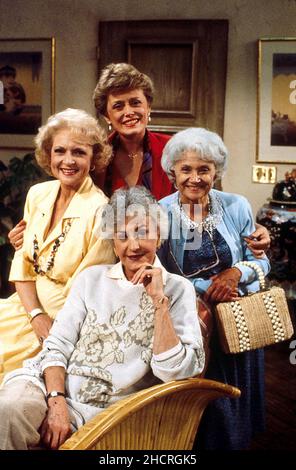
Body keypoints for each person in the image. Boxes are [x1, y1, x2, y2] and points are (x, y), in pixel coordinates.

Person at [0, 186, 205, 450]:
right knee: (7, 411)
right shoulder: (92, 279)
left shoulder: (177, 289)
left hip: (107, 411)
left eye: (142, 232)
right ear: (113, 242)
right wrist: (57, 401)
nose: (133, 245)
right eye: (122, 236)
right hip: (52, 386)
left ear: (159, 236)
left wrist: (158, 302)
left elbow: (176, 371)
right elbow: (56, 345)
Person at [157, 127, 270, 450]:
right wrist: (208, 285)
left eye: (204, 169)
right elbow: (159, 274)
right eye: (186, 169)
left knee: (234, 410)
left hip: (238, 324)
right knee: (198, 414)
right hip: (192, 322)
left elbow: (263, 264)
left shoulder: (236, 206)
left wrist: (236, 272)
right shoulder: (161, 213)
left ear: (216, 172)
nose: (195, 177)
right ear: (172, 172)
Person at [0, 108, 116, 382]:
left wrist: (44, 323)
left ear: (94, 158)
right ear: (48, 154)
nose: (68, 160)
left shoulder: (102, 212)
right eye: (60, 151)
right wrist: (35, 314)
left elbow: (85, 293)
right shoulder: (38, 194)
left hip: (60, 324)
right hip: (25, 309)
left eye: (79, 152)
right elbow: (23, 264)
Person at [92, 62, 173, 200]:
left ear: (148, 107)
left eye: (135, 103)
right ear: (107, 116)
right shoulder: (95, 156)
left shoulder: (173, 149)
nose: (128, 112)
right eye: (118, 106)